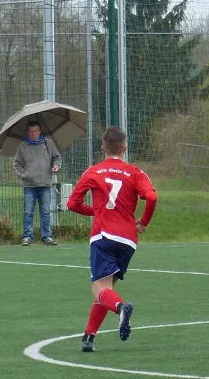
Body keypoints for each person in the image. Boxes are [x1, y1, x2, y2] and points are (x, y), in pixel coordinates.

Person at [67, 126, 157, 353]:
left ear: (103, 148)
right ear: (125, 149)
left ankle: (120, 308)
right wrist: (144, 221)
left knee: (100, 289)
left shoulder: (93, 171)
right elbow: (152, 197)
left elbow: (72, 204)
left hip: (103, 235)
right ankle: (88, 337)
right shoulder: (135, 172)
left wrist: (95, 211)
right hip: (128, 240)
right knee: (106, 288)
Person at [14, 121, 61, 246]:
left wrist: (56, 166)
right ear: (27, 132)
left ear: (40, 131)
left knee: (45, 212)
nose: (33, 134)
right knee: (28, 212)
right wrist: (24, 175)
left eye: (35, 131)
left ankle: (47, 236)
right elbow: (17, 164)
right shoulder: (22, 147)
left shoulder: (48, 144)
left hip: (45, 184)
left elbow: (57, 157)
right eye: (30, 132)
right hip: (29, 185)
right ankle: (27, 236)